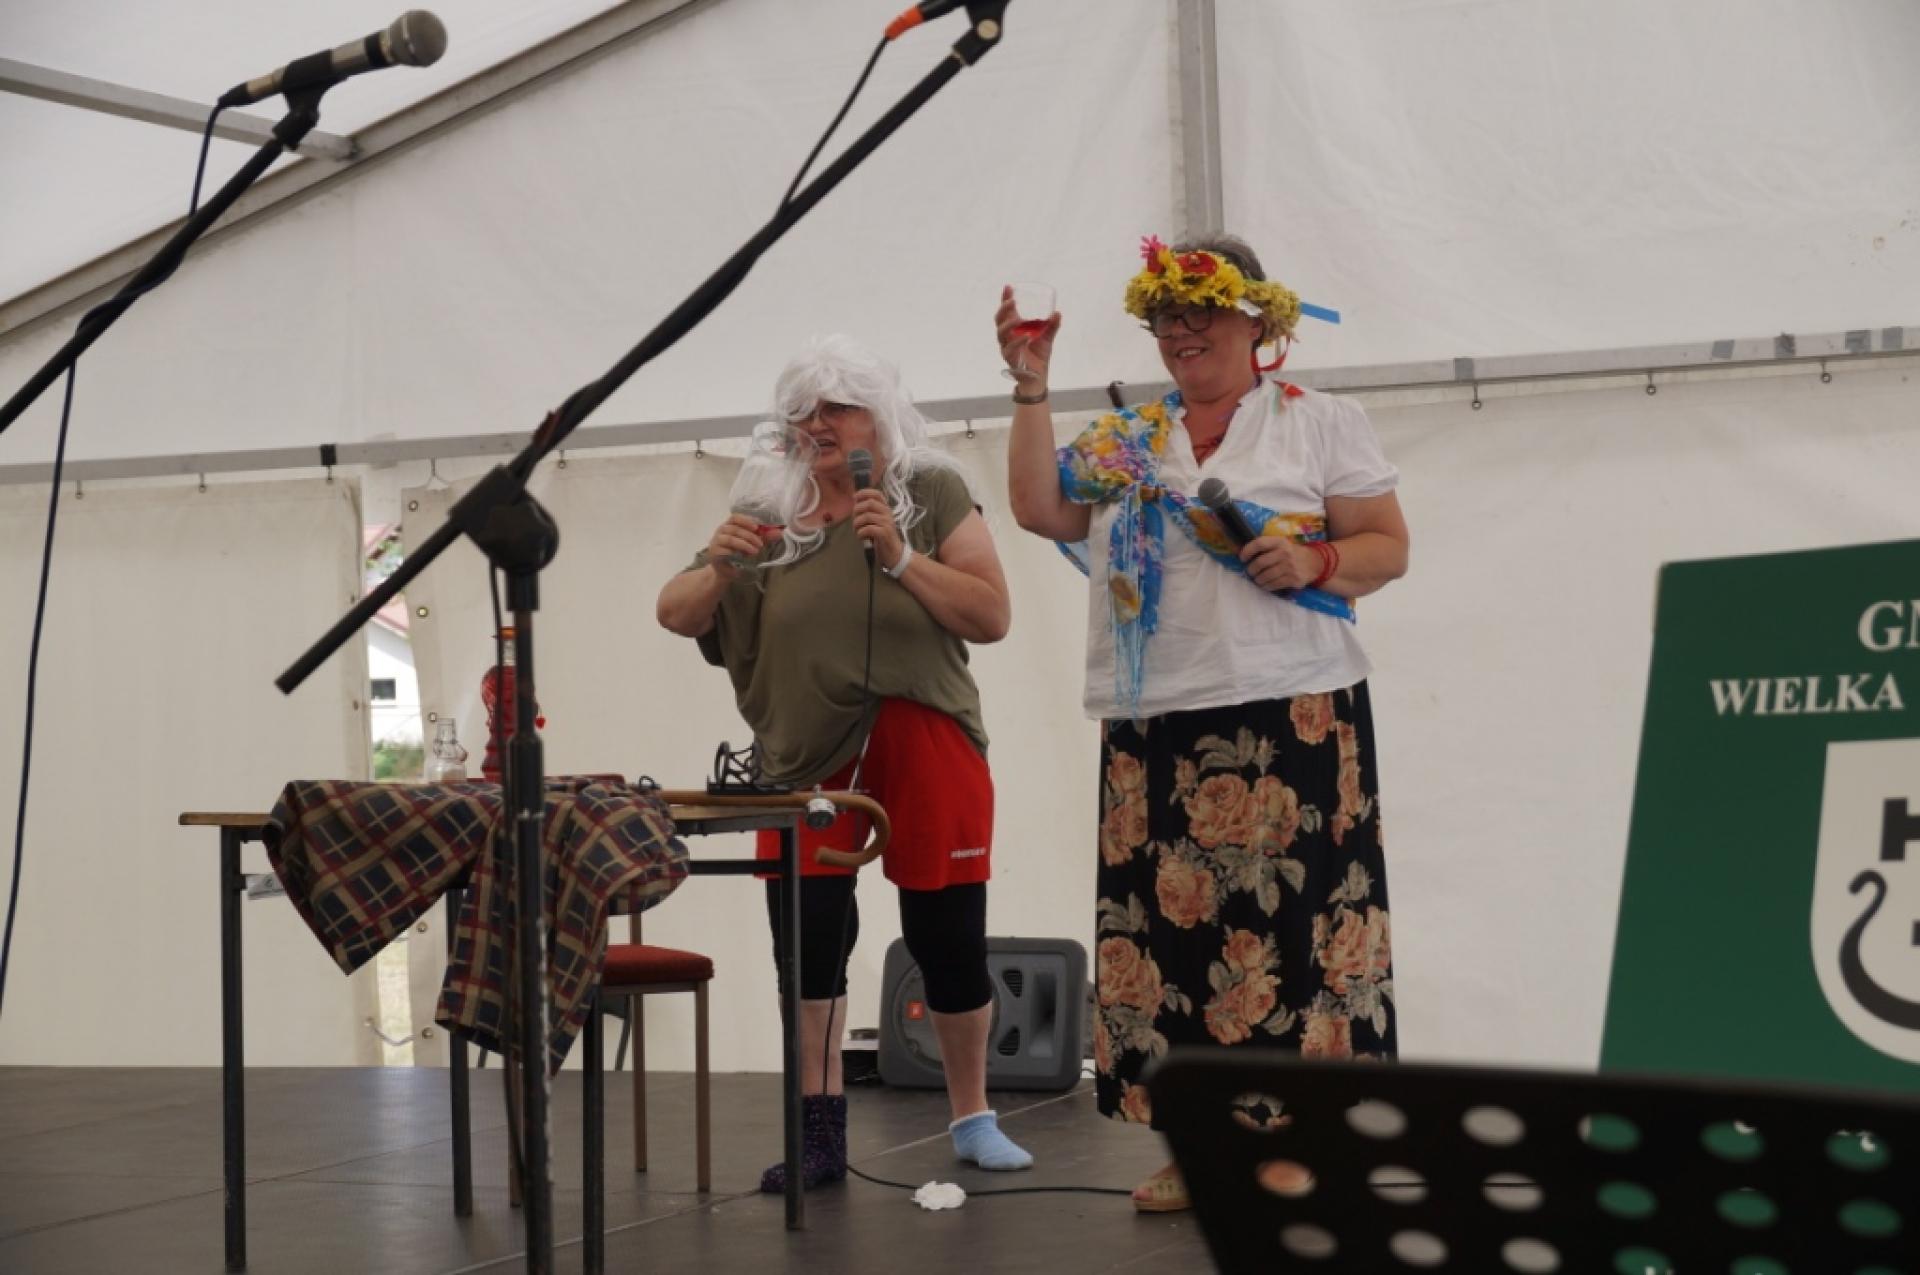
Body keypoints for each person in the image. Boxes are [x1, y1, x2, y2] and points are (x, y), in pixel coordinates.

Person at [997, 235, 1409, 1212]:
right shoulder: (1130, 437)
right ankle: (1199, 1145)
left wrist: (1313, 562)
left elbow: (1387, 545)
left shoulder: (1316, 423)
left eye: (1201, 314)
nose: (1181, 333)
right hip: (1156, 715)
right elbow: (1041, 508)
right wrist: (1031, 387)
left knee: (1291, 930)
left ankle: (1295, 1139)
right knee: (1170, 935)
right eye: (1165, 319)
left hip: (1292, 708)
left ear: (1255, 321)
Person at [656, 333, 1031, 1192]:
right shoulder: (766, 510)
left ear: (879, 416)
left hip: (923, 733)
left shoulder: (927, 489)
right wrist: (722, 566)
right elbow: (675, 611)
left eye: (838, 407)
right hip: (802, 756)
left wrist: (900, 556)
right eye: (803, 411)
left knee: (947, 937)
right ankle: (819, 1129)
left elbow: (992, 614)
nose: (817, 424)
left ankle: (973, 1115)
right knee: (809, 943)